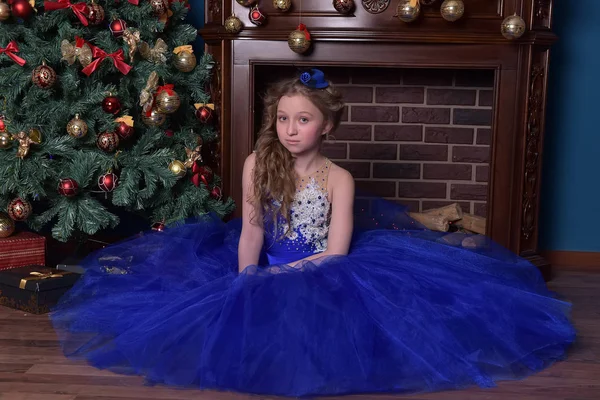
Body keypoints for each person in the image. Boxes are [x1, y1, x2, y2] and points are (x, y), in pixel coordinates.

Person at [51, 68, 575, 398]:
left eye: (303, 120)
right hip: (265, 261)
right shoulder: (258, 164)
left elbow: (338, 250)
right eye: (283, 118)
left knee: (328, 332)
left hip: (322, 267)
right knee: (229, 312)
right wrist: (247, 278)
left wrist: (288, 276)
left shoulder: (338, 179)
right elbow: (252, 232)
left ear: (327, 126)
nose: (290, 128)